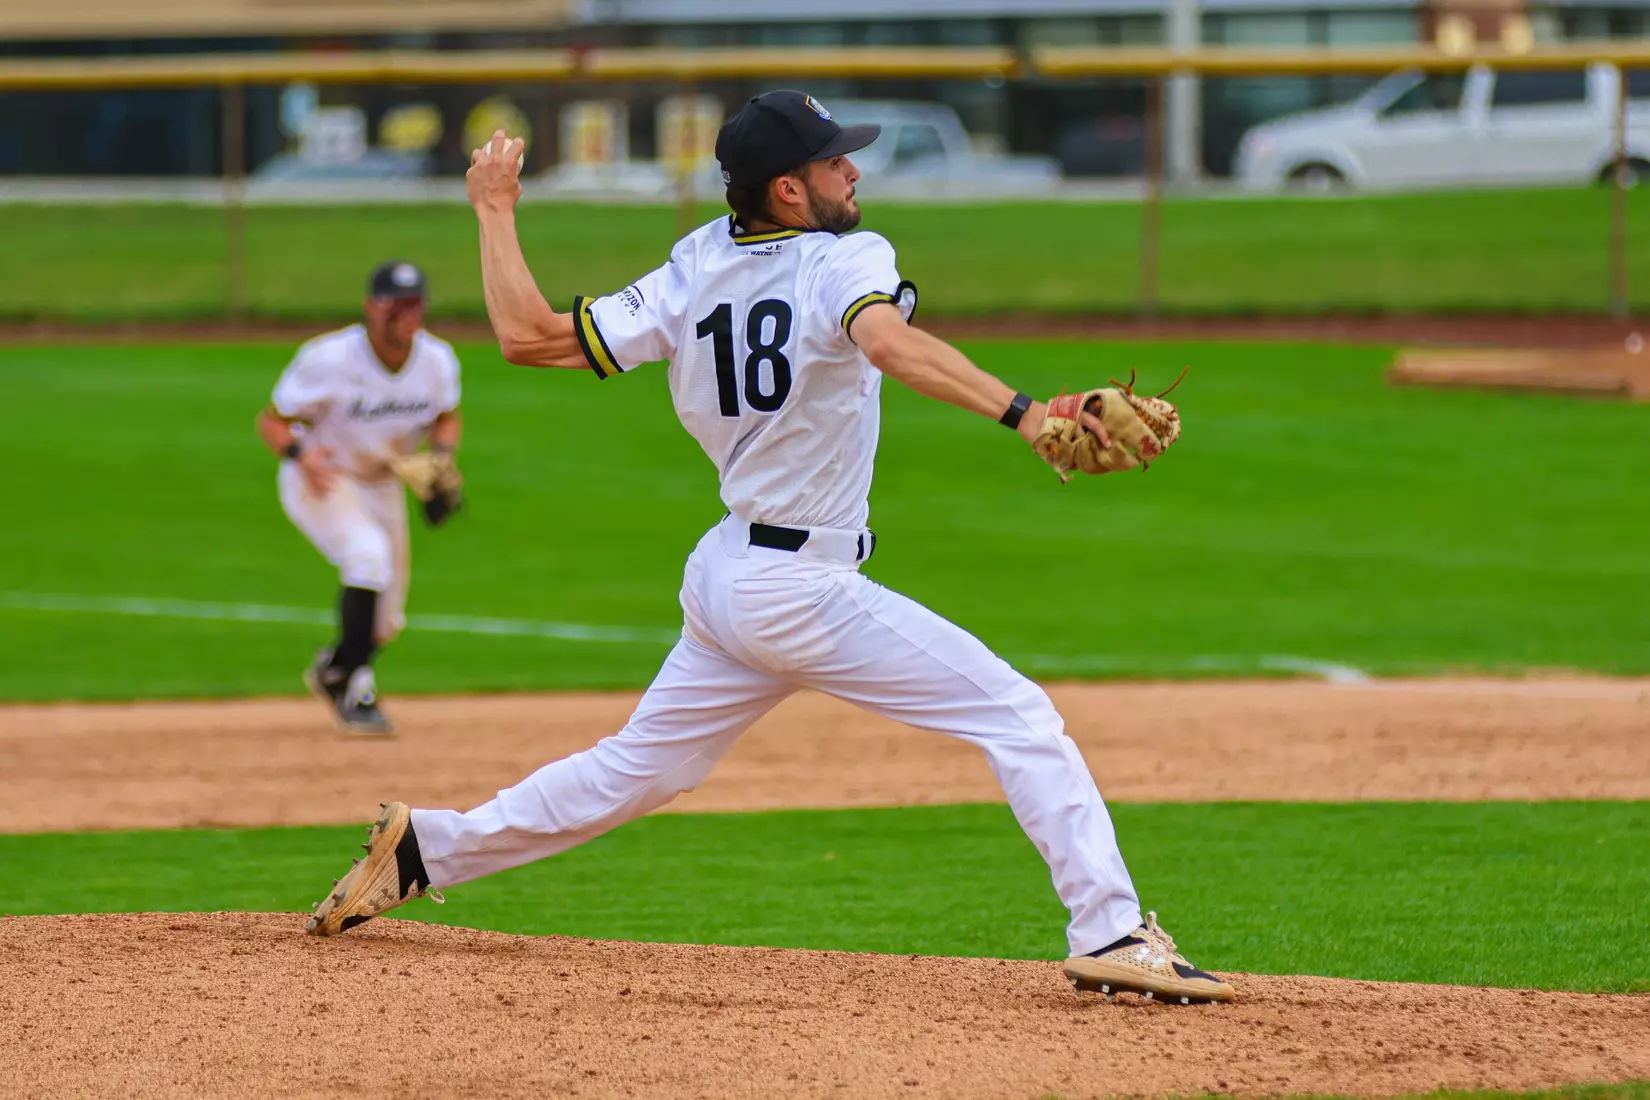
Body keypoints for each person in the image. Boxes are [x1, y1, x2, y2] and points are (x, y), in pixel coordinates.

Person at [304, 92, 1230, 1004]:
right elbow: (889, 343)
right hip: (800, 590)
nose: (853, 169)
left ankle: (427, 849)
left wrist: (494, 210)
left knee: (643, 767)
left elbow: (526, 336)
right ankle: (1111, 931)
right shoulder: (845, 259)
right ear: (789, 190)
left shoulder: (695, 264)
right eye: (835, 160)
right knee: (1017, 717)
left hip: (727, 578)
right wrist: (1027, 414)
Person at [255, 261, 462, 736]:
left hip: (382, 483)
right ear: (373, 307)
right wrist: (298, 455)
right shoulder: (328, 358)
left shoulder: (437, 360)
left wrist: (444, 459)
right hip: (324, 478)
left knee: (385, 622)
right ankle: (358, 689)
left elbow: (447, 416)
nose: (408, 314)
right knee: (367, 557)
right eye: (397, 304)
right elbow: (271, 421)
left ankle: (334, 669)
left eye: (416, 304)